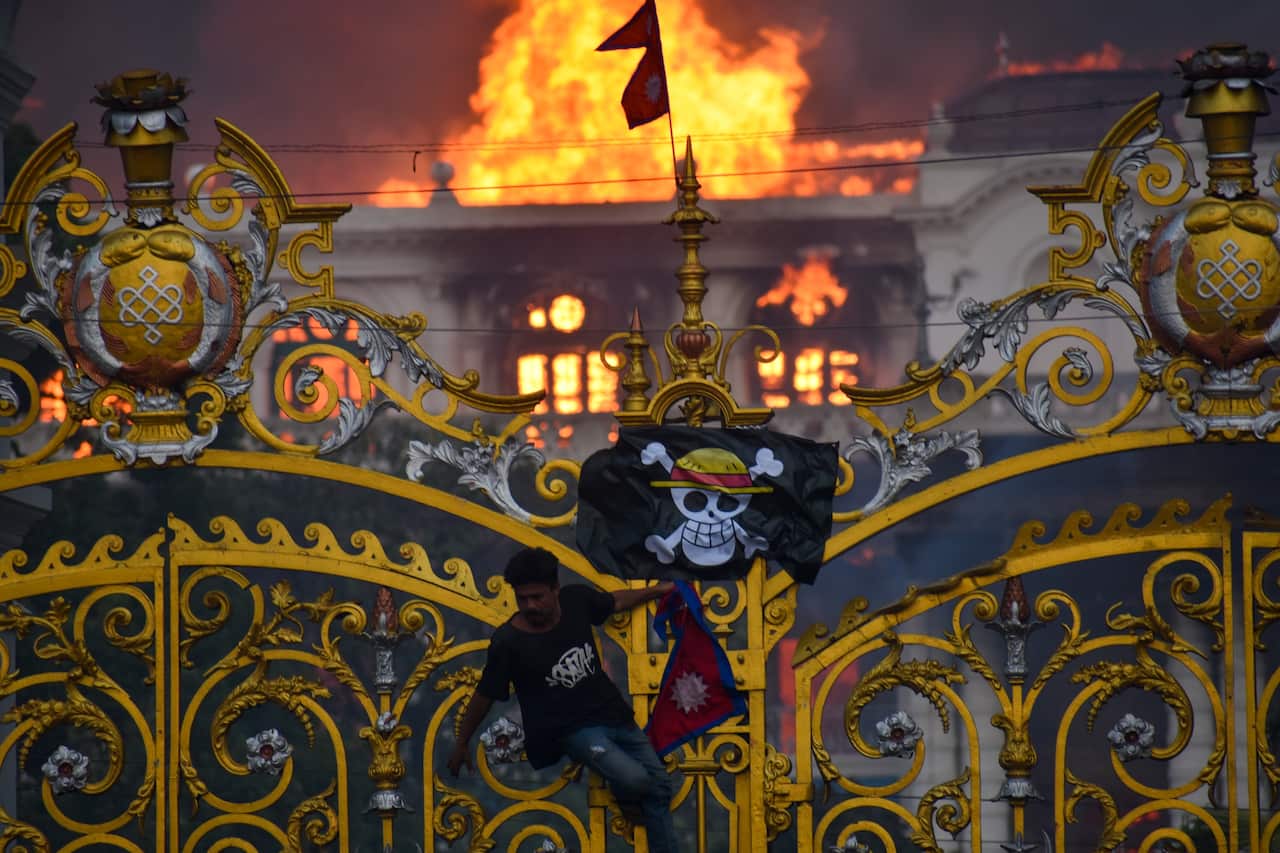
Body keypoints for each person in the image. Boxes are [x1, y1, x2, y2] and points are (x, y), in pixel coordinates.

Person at [446, 547, 680, 853]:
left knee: (659, 786)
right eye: (523, 598)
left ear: (556, 590)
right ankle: (623, 794)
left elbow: (615, 601)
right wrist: (462, 741)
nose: (530, 605)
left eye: (537, 597)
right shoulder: (509, 642)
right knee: (636, 780)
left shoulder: (576, 601)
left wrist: (656, 591)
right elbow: (485, 694)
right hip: (574, 731)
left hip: (614, 714)